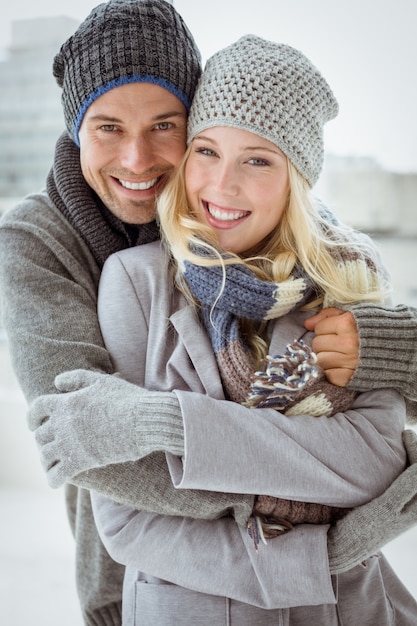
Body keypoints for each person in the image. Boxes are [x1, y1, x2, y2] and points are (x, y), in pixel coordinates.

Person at [0, 0, 416, 624]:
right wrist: (318, 530)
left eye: (165, 126)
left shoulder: (333, 267)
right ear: (76, 129)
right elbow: (90, 444)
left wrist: (394, 345)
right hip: (155, 584)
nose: (138, 161)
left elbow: (376, 458)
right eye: (108, 127)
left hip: (343, 603)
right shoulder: (67, 253)